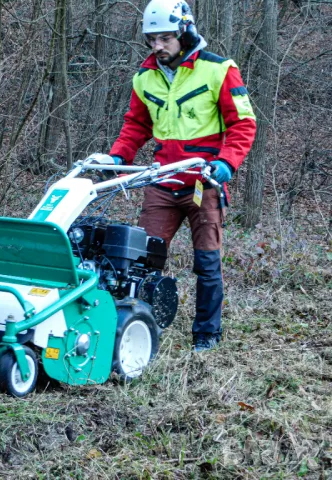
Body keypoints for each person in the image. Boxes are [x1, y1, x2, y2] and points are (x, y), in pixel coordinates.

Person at [107, 0, 256, 351]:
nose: (157, 46)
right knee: (140, 261)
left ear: (185, 32)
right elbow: (136, 124)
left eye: (164, 38)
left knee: (206, 261)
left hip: (204, 182)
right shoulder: (144, 77)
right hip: (162, 182)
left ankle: (206, 335)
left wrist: (227, 163)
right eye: (151, 40)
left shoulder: (219, 70)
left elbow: (243, 124)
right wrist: (118, 155)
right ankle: (141, 329)